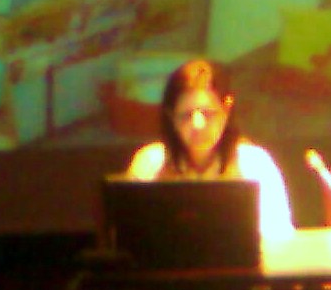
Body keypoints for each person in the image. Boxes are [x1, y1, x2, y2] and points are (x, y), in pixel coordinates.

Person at [126, 58, 294, 240]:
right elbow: (129, 238)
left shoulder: (255, 164)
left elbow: (279, 239)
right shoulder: (150, 164)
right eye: (186, 116)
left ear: (226, 110)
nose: (197, 125)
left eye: (208, 114)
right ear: (171, 117)